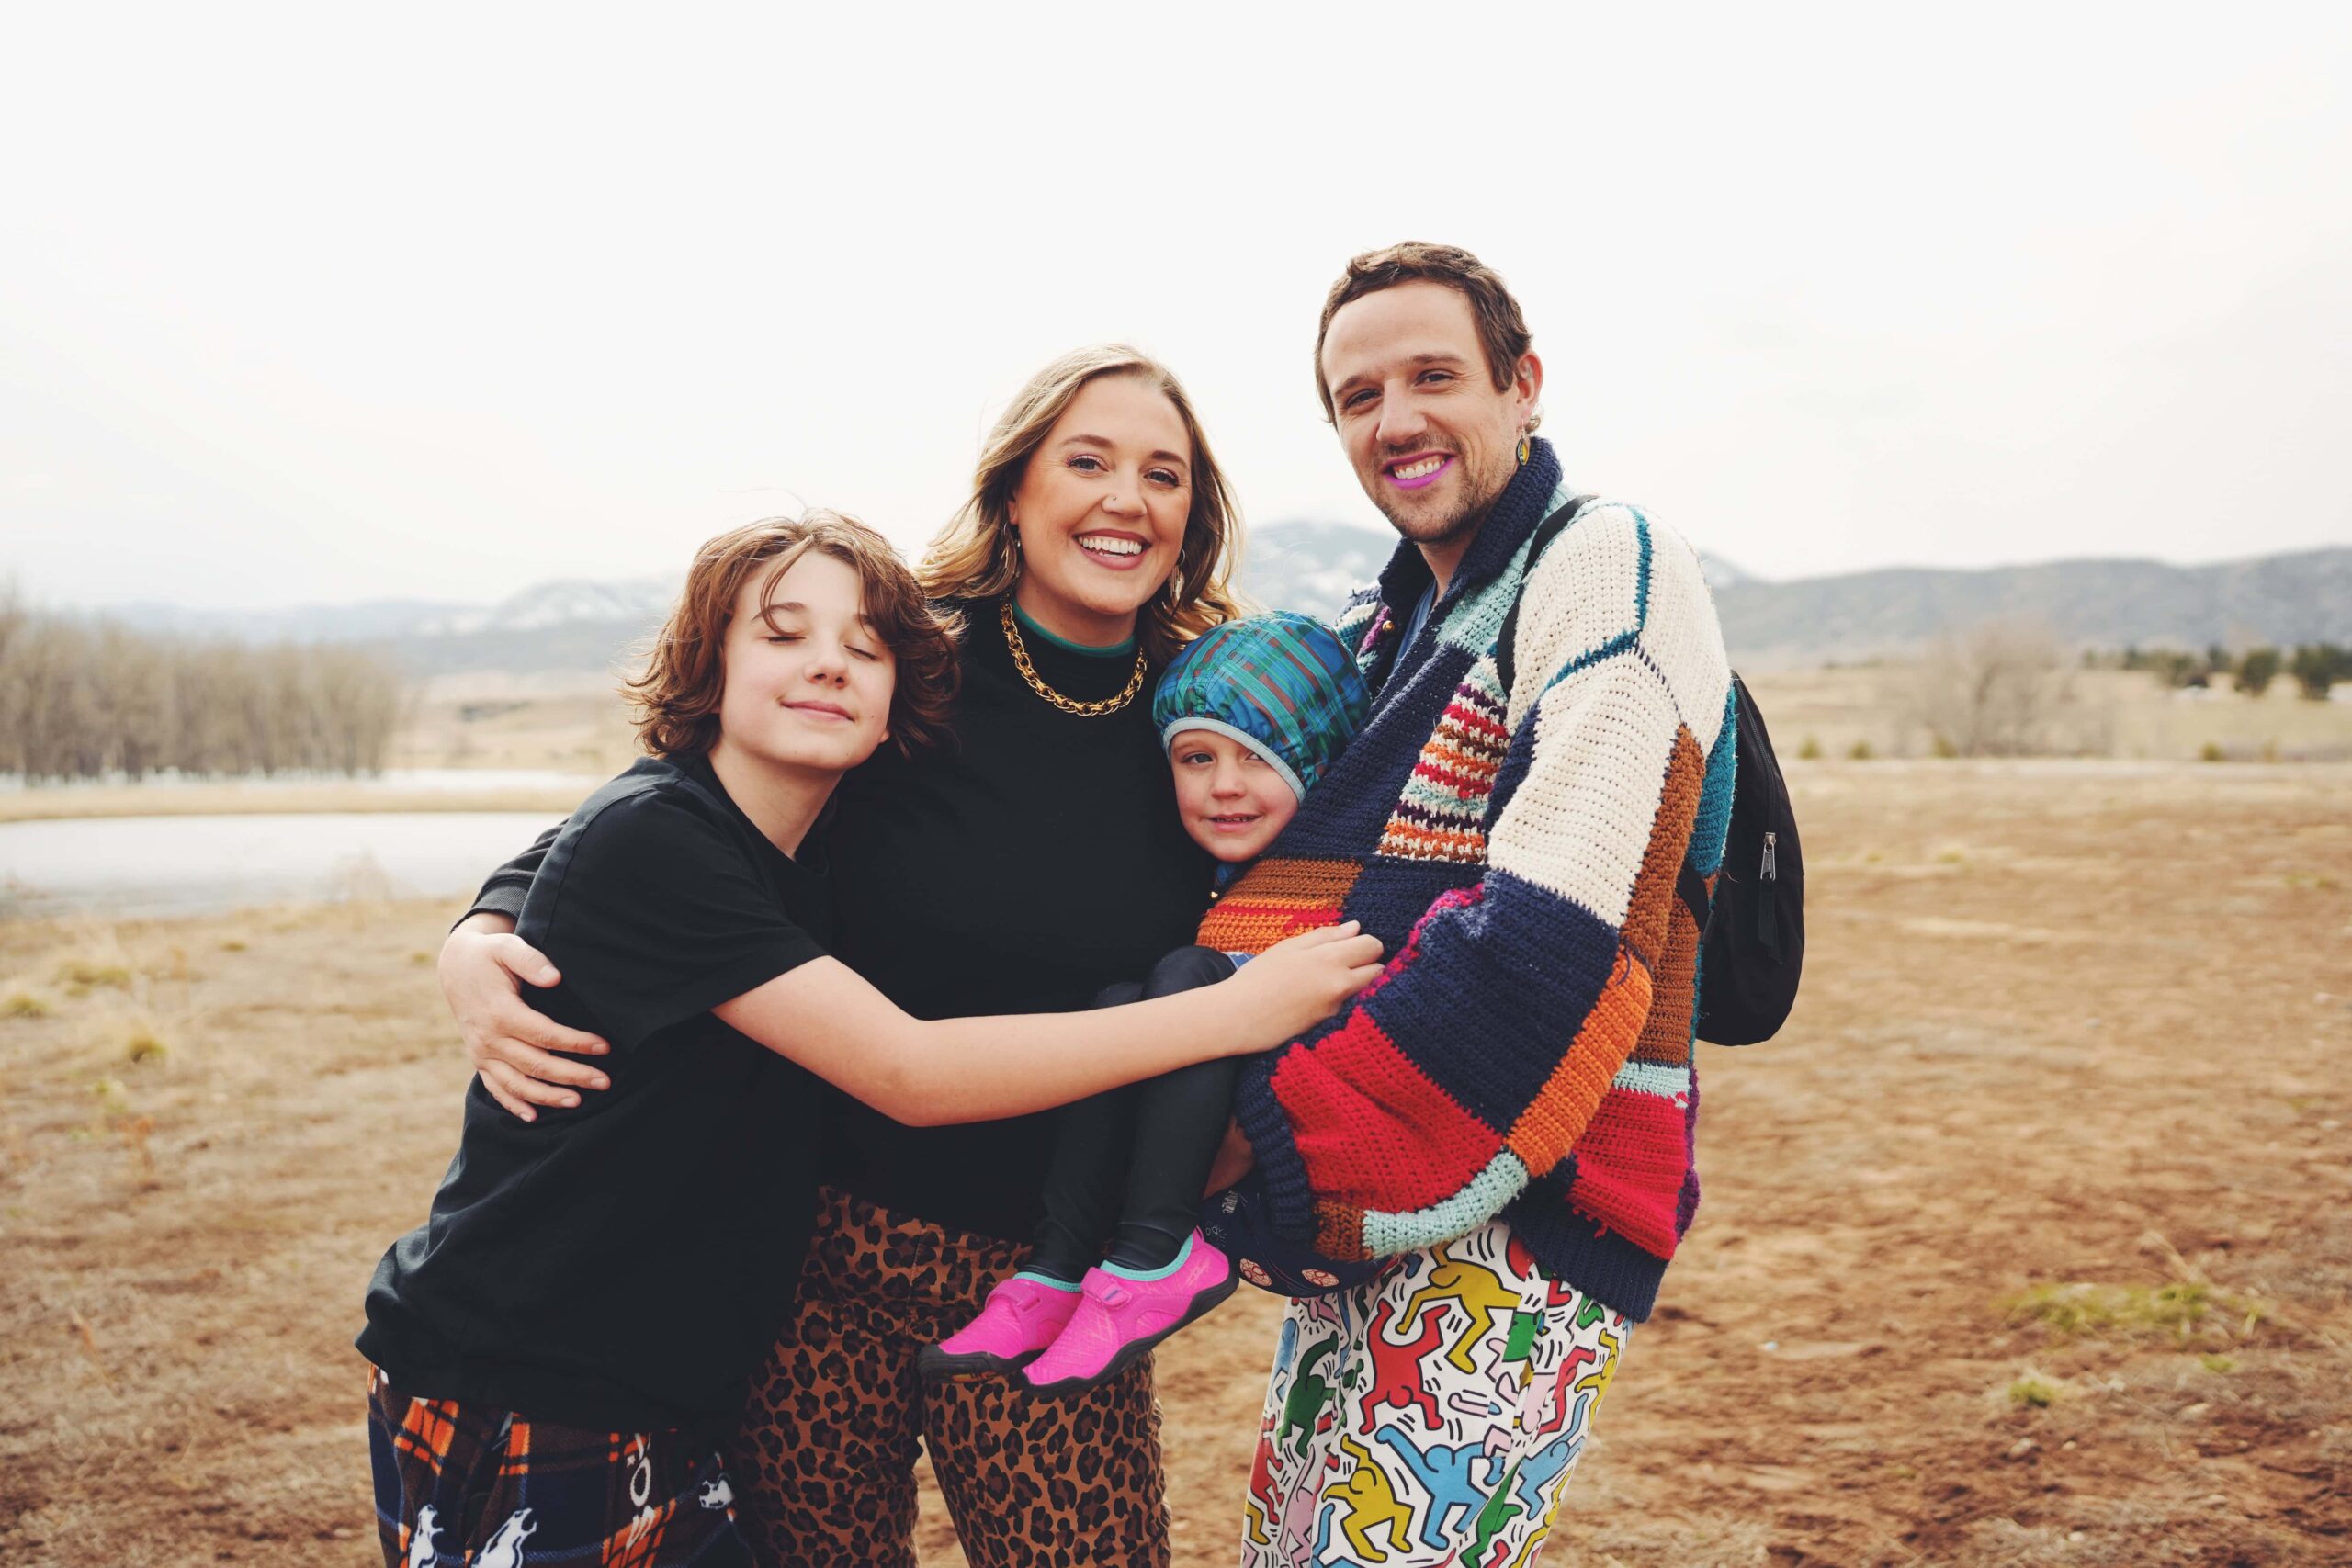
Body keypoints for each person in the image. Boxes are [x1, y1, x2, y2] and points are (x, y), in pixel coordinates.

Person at [359, 513, 1380, 1568]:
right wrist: (1227, 1014)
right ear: (707, 663)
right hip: (527, 1364)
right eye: (782, 635)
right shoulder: (664, 838)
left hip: (670, 1378)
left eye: (862, 648)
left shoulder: (803, 838)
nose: (826, 668)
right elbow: (906, 1071)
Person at [1214, 243, 1737, 1566]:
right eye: (1356, 395)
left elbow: (1552, 938)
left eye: (1434, 374)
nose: (1395, 419)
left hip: (1522, 1197)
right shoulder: (1392, 628)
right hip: (1389, 1179)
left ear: (1523, 385)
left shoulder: (1603, 562)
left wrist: (1261, 1144)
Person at [920, 611, 1374, 1395]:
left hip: (1309, 1140)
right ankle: (1058, 1265)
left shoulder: (1345, 873)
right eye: (1197, 758)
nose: (1224, 785)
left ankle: (1153, 1253)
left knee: (1187, 973)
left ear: (1319, 763)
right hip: (1211, 1101)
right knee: (1119, 1001)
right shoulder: (1224, 880)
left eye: (1259, 759)